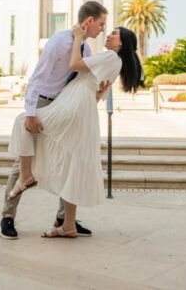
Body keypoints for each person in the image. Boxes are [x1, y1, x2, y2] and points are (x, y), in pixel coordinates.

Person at [8, 24, 143, 238]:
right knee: (72, 163)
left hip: (73, 104)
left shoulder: (110, 57)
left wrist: (78, 37)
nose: (108, 35)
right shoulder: (115, 63)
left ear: (122, 43)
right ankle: (68, 225)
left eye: (114, 34)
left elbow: (74, 64)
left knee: (23, 121)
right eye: (108, 30)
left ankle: (25, 176)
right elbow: (99, 93)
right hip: (83, 106)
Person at [0, 1, 110, 240]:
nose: (102, 29)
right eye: (101, 24)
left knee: (67, 159)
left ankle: (64, 219)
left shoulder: (86, 50)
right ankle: (8, 217)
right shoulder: (59, 42)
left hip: (63, 109)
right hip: (42, 104)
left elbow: (78, 85)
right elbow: (38, 77)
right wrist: (30, 113)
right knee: (22, 165)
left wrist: (98, 91)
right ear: (88, 21)